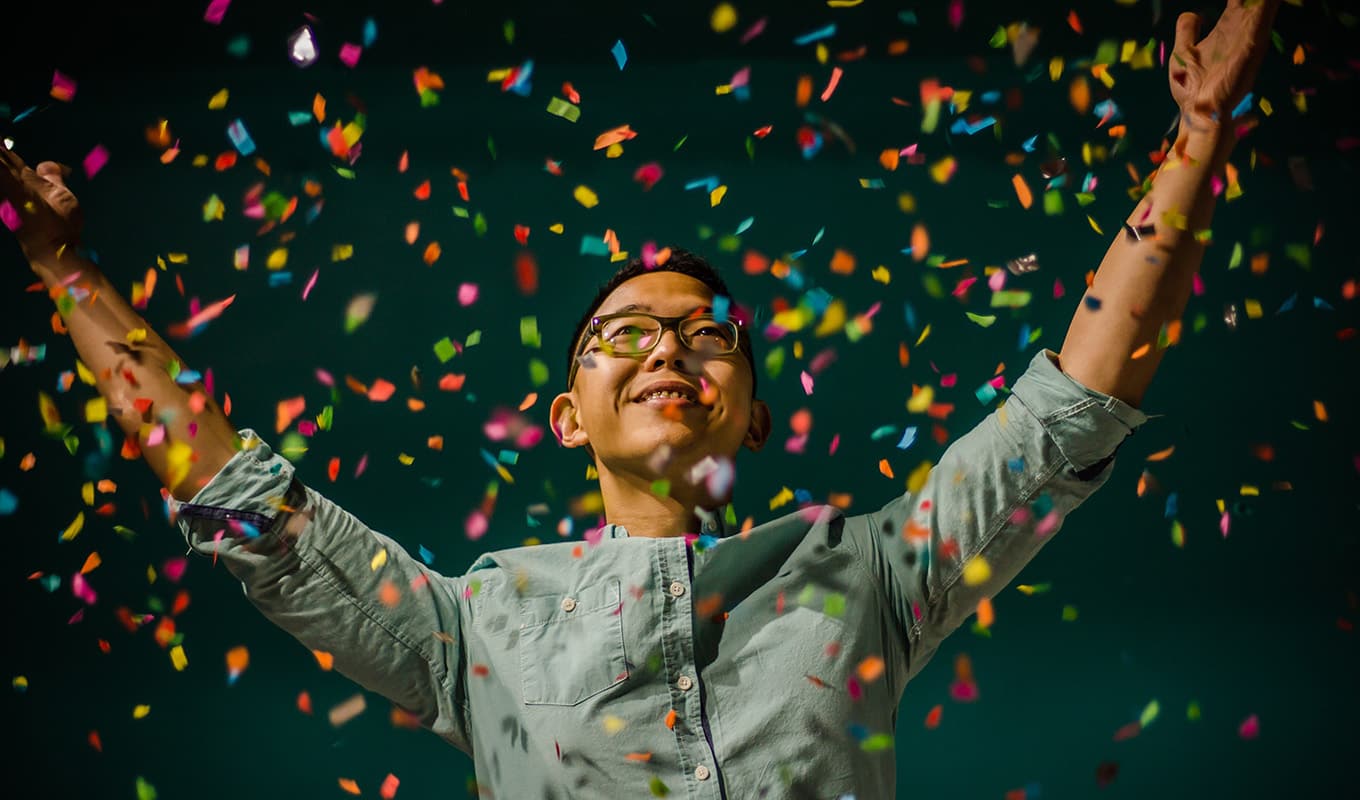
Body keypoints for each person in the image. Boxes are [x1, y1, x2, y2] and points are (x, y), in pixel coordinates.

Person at [0, 1, 1278, 796]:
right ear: (568, 414)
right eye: (624, 333)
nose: (669, 348)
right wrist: (61, 263)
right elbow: (247, 504)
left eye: (705, 333)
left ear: (752, 405)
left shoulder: (872, 571)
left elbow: (1072, 401)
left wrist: (1199, 138)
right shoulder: (469, 628)